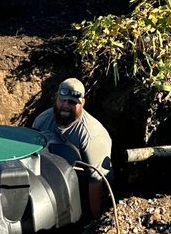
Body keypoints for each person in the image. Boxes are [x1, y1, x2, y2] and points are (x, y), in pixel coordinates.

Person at [32, 77, 113, 215]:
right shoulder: (42, 120)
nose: (66, 105)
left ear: (82, 103)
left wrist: (93, 221)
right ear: (56, 98)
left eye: (72, 102)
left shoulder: (92, 136)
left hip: (87, 190)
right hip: (55, 182)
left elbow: (96, 183)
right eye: (62, 100)